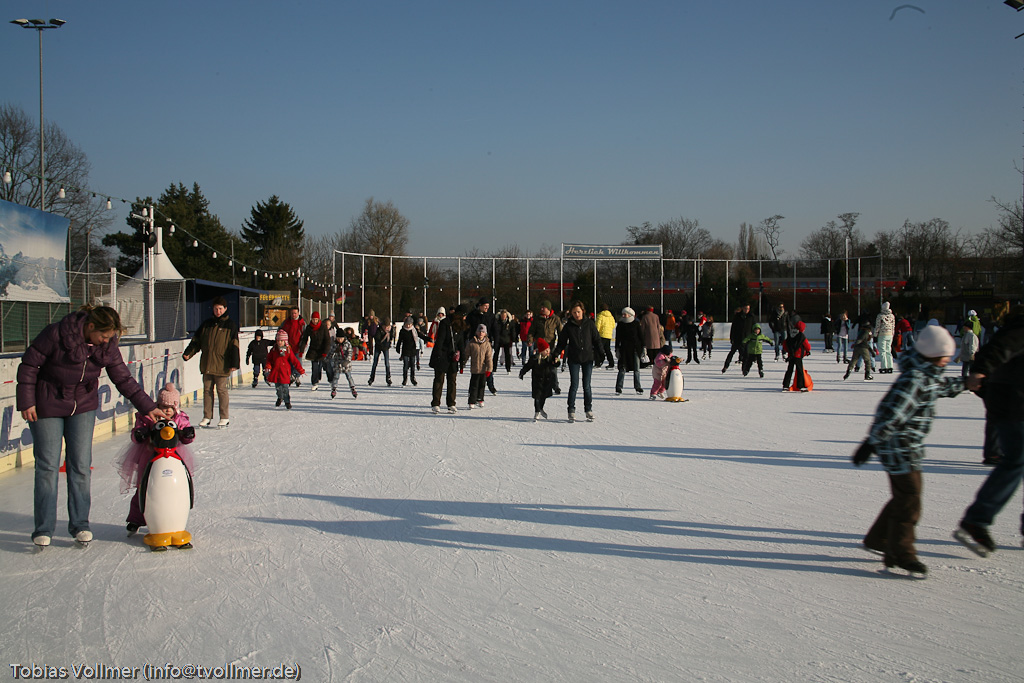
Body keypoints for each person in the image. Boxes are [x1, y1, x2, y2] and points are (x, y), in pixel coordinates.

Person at [17, 305, 163, 548]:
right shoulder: (56, 333)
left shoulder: (107, 346)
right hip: (47, 405)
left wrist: (147, 407)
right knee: (47, 466)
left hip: (82, 407)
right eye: (104, 335)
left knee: (81, 466)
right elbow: (29, 365)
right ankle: (43, 528)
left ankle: (80, 525)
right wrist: (26, 401)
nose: (106, 340)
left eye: (110, 337)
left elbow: (123, 378)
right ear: (90, 326)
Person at [852, 325, 965, 576]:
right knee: (910, 501)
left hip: (905, 449)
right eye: (945, 356)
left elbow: (942, 386)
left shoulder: (927, 374)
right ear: (933, 354)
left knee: (903, 497)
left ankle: (878, 539)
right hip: (900, 449)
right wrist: (870, 443)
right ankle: (901, 553)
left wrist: (966, 383)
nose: (948, 360)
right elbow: (891, 414)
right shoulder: (915, 379)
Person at [954, 306, 1024, 556]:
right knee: (1016, 460)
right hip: (1013, 403)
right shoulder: (1020, 329)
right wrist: (980, 370)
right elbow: (997, 348)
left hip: (1009, 401)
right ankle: (976, 519)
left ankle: (978, 519)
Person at [116, 383, 196, 538]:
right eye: (164, 406)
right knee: (144, 489)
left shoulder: (179, 419)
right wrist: (140, 434)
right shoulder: (148, 418)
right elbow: (136, 433)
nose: (167, 410)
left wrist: (187, 433)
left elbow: (185, 435)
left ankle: (173, 519)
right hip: (149, 459)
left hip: (173, 458)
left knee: (175, 490)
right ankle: (136, 519)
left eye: (171, 407)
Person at [183, 296, 240, 428]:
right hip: (207, 363)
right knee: (207, 390)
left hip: (222, 364)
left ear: (225, 309)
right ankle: (207, 416)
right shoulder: (206, 324)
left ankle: (224, 417)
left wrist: (234, 363)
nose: (218, 311)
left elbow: (234, 345)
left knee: (221, 390)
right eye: (215, 309)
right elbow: (196, 341)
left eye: (220, 309)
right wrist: (188, 353)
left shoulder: (230, 325)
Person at [554, 300, 603, 422]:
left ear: (583, 311)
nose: (577, 314)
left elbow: (597, 340)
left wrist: (601, 354)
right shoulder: (568, 326)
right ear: (571, 313)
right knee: (574, 385)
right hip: (574, 358)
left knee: (587, 385)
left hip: (587, 358)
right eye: (574, 312)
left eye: (578, 312)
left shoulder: (589, 324)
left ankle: (588, 409)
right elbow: (561, 342)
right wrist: (555, 354)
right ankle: (571, 410)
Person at [429, 304, 469, 413]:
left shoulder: (461, 325)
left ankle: (451, 403)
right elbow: (440, 340)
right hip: (442, 355)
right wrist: (438, 355)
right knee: (439, 380)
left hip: (453, 357)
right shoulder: (445, 323)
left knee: (452, 381)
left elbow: (461, 343)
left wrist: (462, 359)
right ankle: (435, 403)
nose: (465, 317)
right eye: (464, 315)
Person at [520, 338, 560, 421]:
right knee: (537, 397)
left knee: (544, 396)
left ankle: (541, 408)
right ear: (541, 351)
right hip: (537, 381)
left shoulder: (550, 357)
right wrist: (522, 372)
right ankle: (537, 411)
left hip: (547, 381)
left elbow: (556, 364)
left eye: (548, 349)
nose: (548, 351)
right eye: (546, 350)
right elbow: (527, 366)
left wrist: (557, 362)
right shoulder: (534, 359)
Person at [266, 329, 304, 409]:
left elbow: (294, 360)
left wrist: (300, 369)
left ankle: (287, 401)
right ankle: (280, 397)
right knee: (278, 388)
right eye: (278, 340)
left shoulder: (288, 350)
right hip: (276, 372)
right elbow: (269, 359)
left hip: (285, 373)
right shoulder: (274, 350)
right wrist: (268, 367)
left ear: (285, 341)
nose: (279, 342)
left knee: (285, 388)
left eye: (281, 341)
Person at [615, 307, 645, 395]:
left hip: (635, 349)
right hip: (624, 349)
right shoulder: (620, 324)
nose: (623, 315)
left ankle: (638, 387)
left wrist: (644, 347)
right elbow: (618, 338)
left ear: (630, 315)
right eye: (623, 314)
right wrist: (617, 349)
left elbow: (641, 337)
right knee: (622, 368)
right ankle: (619, 387)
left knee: (636, 369)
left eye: (625, 314)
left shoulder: (636, 324)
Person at [298, 311, 332, 391]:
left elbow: (327, 340)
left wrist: (325, 352)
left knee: (327, 367)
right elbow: (304, 339)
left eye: (316, 319)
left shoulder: (323, 327)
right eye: (313, 319)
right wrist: (301, 351)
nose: (315, 321)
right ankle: (315, 382)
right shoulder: (309, 328)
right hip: (313, 350)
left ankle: (331, 380)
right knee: (315, 367)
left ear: (319, 319)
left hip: (323, 349)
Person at [463, 324, 494, 408]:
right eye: (479, 331)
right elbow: (466, 354)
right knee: (474, 386)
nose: (481, 333)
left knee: (482, 385)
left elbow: (489, 358)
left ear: (485, 333)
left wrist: (489, 369)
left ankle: (480, 398)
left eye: (483, 332)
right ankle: (472, 401)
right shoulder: (471, 343)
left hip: (483, 369)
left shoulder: (487, 344)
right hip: (475, 369)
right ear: (476, 332)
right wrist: (462, 364)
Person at [327, 327, 358, 399]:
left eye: (341, 338)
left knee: (349, 377)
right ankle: (334, 389)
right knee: (336, 377)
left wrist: (347, 361)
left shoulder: (347, 344)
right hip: (337, 363)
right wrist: (327, 359)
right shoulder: (335, 344)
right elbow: (331, 352)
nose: (340, 340)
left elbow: (350, 353)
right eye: (338, 338)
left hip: (346, 364)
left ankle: (353, 388)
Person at [722, 304, 754, 373]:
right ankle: (726, 366)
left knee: (745, 355)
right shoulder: (737, 316)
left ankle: (744, 369)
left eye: (748, 309)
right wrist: (732, 338)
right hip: (737, 338)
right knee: (731, 353)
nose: (747, 310)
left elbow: (753, 328)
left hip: (746, 339)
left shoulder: (751, 316)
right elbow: (733, 327)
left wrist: (752, 338)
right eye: (745, 308)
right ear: (743, 308)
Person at [782, 321, 812, 391]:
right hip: (798, 356)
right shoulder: (801, 335)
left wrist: (788, 351)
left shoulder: (790, 333)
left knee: (789, 370)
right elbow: (807, 345)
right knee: (799, 370)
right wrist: (807, 350)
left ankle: (785, 385)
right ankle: (800, 386)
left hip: (791, 355)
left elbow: (785, 343)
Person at [279, 307, 305, 385]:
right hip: (286, 346)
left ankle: (296, 376)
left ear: (298, 313)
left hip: (298, 347)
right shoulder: (286, 322)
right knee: (286, 362)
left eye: (295, 313)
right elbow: (280, 332)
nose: (293, 315)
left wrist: (302, 346)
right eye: (292, 313)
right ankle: (289, 376)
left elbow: (305, 335)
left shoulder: (302, 323)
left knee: (297, 362)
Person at [395, 316, 423, 386]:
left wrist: (428, 339)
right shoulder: (402, 331)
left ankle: (412, 378)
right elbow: (400, 340)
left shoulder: (414, 330)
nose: (408, 326)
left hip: (413, 350)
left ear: (412, 324)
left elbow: (420, 335)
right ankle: (404, 379)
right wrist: (398, 348)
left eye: (409, 324)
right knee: (405, 366)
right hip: (405, 350)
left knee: (412, 366)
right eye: (407, 324)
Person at [368, 318, 393, 386]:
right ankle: (371, 378)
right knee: (375, 363)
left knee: (387, 363)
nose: (386, 328)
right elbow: (377, 340)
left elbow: (391, 338)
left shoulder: (390, 330)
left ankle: (388, 378)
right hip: (378, 347)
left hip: (386, 348)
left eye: (388, 326)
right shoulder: (379, 330)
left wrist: (388, 344)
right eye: (385, 326)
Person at [875, 302, 896, 374]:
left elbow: (878, 326)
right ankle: (890, 366)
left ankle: (884, 366)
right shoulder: (892, 316)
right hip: (890, 334)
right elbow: (893, 325)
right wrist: (892, 333)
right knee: (888, 350)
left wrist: (875, 334)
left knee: (882, 351)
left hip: (882, 334)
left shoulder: (880, 316)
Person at [595, 303, 616, 370]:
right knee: (607, 350)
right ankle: (611, 363)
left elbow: (597, 326)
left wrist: (595, 333)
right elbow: (613, 325)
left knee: (598, 349)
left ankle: (598, 363)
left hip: (601, 335)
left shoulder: (600, 316)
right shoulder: (611, 316)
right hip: (608, 335)